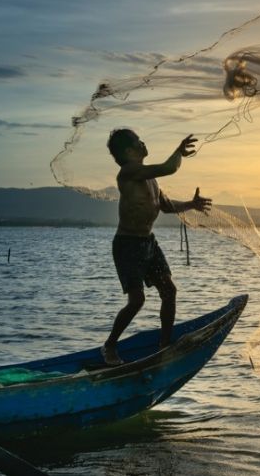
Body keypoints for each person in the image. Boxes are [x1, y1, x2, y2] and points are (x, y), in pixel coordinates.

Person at [100, 128, 212, 366]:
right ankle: (110, 346)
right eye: (139, 141)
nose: (144, 143)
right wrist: (179, 152)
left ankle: (164, 345)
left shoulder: (150, 179)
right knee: (137, 300)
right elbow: (169, 167)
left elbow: (167, 206)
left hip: (148, 242)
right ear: (130, 151)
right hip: (127, 245)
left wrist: (191, 204)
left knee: (169, 291)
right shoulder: (129, 172)